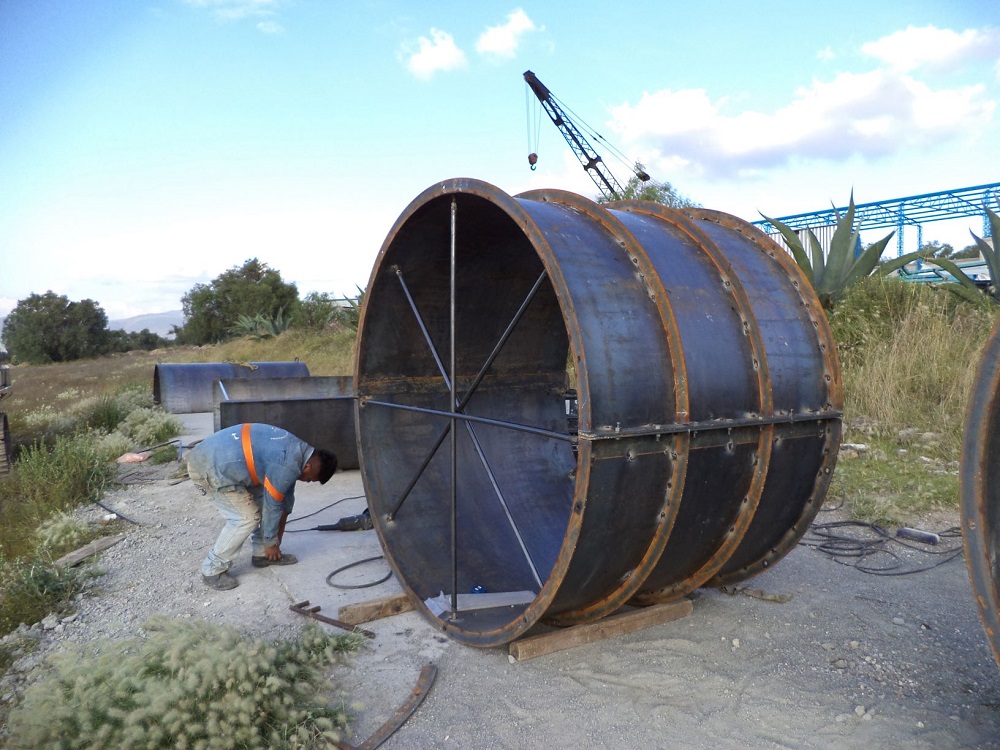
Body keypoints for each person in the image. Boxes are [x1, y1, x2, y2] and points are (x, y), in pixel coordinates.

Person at [186, 423, 337, 590]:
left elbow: (284, 501)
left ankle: (262, 555)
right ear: (308, 467)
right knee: (246, 518)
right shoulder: (286, 465)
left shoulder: (297, 453)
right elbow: (273, 507)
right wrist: (272, 543)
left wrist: (274, 543)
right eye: (310, 479)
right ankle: (212, 570)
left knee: (265, 503)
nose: (307, 481)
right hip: (207, 468)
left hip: (223, 463)